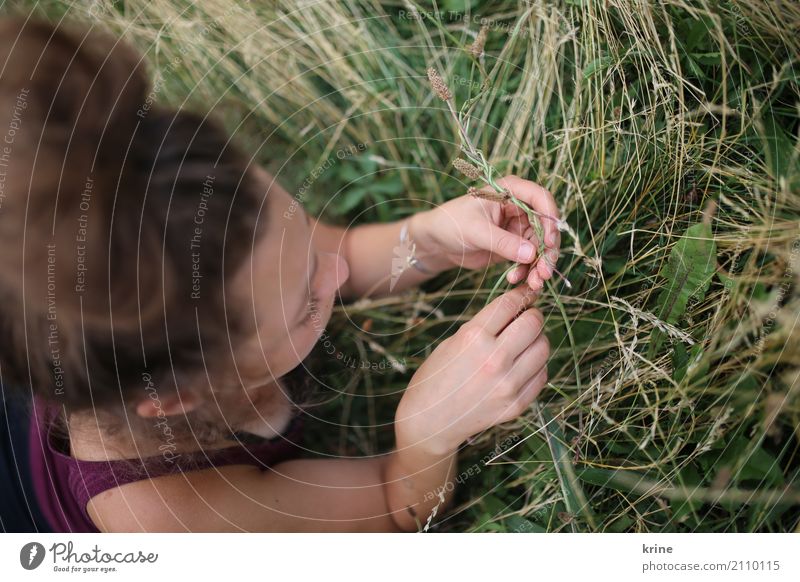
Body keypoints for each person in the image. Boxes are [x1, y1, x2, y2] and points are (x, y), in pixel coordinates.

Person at [0, 16, 561, 532]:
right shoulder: (172, 521)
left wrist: (426, 242)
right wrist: (429, 432)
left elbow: (327, 255)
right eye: (306, 306)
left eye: (303, 238)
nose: (338, 271)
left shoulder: (197, 221)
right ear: (178, 397)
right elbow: (397, 509)